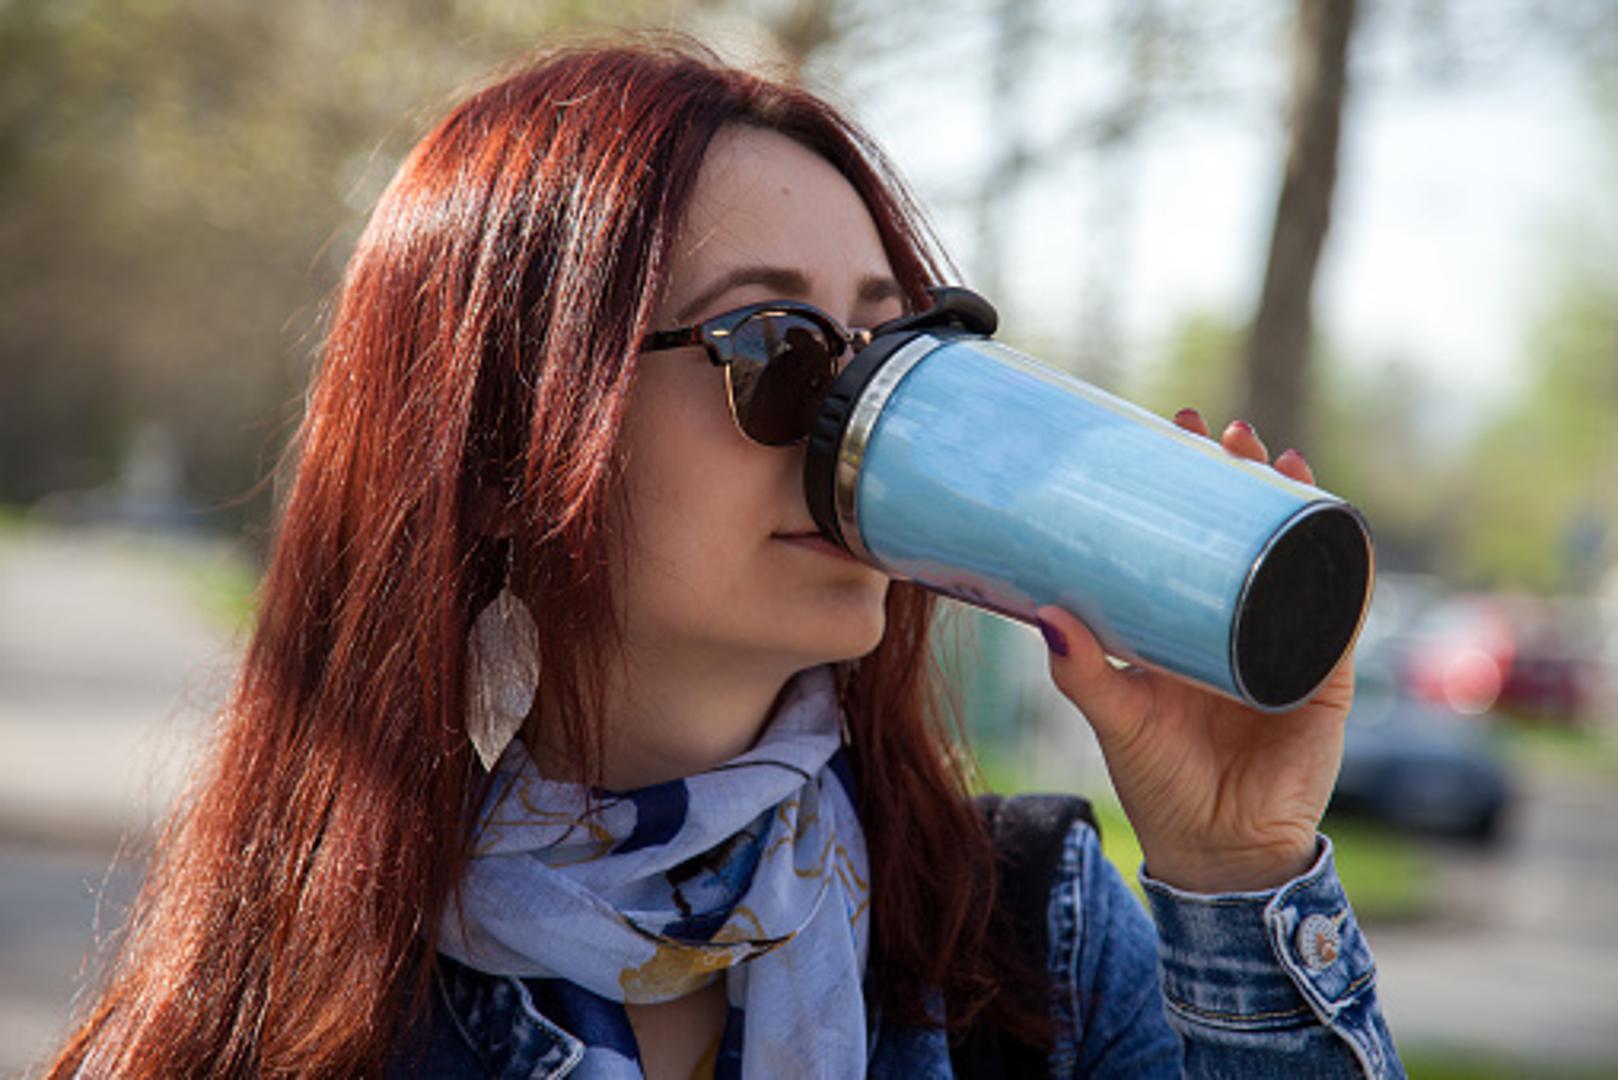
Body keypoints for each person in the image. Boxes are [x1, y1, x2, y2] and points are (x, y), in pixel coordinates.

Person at [47, 40, 1403, 1079]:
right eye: (775, 348)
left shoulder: (1019, 944)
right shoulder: (295, 999)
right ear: (509, 432)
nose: (854, 427)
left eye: (892, 348)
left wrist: (1239, 869)